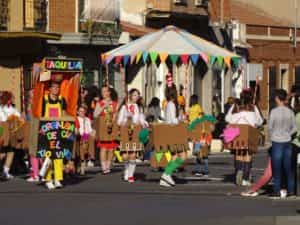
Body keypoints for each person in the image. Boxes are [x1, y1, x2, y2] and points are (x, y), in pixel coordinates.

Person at [225, 91, 263, 186]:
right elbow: (259, 121)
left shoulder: (235, 106)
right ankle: (245, 178)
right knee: (248, 154)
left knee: (238, 152)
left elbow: (227, 118)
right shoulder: (253, 107)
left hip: (236, 132)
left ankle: (239, 170)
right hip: (249, 132)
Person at [268, 89, 296, 198]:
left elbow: (270, 127)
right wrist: (288, 134)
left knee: (277, 168)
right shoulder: (290, 111)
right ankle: (291, 190)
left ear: (277, 98)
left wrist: (273, 135)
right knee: (288, 167)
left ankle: (276, 190)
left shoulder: (274, 111)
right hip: (287, 140)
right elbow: (294, 128)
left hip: (277, 141)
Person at [118, 88, 148, 183]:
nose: (136, 97)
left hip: (135, 131)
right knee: (125, 156)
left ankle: (131, 175)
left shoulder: (139, 108)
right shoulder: (124, 107)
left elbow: (141, 119)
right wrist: (124, 121)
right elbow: (119, 121)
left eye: (137, 95)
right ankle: (126, 170)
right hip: (126, 132)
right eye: (135, 95)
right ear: (130, 96)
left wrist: (143, 123)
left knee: (133, 155)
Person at [42, 81, 67, 190]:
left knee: (58, 156)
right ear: (50, 89)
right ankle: (48, 179)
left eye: (58, 87)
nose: (56, 89)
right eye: (54, 87)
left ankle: (57, 178)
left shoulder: (62, 100)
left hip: (58, 131)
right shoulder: (44, 100)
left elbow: (64, 115)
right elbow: (41, 115)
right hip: (47, 131)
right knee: (48, 156)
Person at [159, 85, 186, 187]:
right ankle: (166, 174)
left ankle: (166, 175)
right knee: (182, 156)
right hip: (173, 132)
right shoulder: (171, 105)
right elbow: (172, 121)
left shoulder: (169, 104)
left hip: (170, 132)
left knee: (174, 156)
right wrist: (181, 118)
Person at [94, 85, 118, 174]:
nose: (104, 93)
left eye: (105, 91)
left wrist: (113, 121)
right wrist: (104, 106)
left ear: (109, 92)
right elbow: (95, 115)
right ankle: (104, 167)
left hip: (111, 126)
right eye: (102, 92)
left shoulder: (114, 103)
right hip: (103, 125)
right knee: (103, 147)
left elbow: (116, 114)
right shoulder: (99, 103)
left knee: (111, 148)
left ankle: (108, 165)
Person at [0, 91, 22, 179]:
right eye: (12, 98)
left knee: (10, 152)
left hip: (9, 132)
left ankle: (5, 171)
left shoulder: (12, 108)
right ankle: (5, 171)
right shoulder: (7, 109)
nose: (13, 100)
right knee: (4, 152)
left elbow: (19, 118)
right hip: (4, 131)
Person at [75, 105, 95, 175]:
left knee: (89, 140)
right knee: (80, 149)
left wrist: (92, 133)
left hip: (85, 136)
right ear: (77, 112)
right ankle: (80, 165)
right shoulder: (76, 119)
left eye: (83, 111)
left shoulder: (87, 119)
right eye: (80, 111)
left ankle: (90, 158)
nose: (82, 113)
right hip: (78, 136)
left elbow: (89, 130)